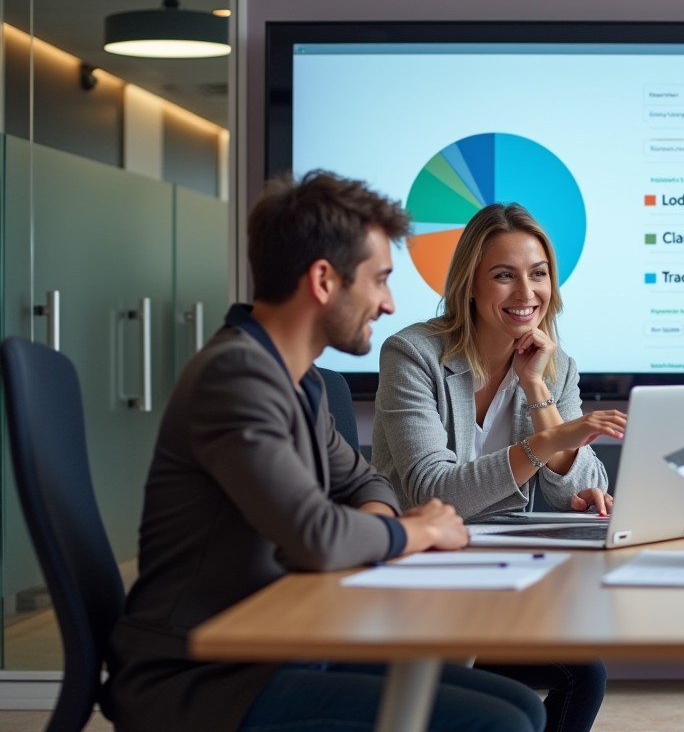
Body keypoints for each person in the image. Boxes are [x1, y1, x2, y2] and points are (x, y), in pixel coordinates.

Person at [104, 171, 546, 732]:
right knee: (498, 723)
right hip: (202, 677)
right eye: (379, 280)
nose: (388, 304)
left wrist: (377, 524)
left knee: (523, 707)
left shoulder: (299, 381)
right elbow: (316, 536)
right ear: (323, 280)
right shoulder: (236, 377)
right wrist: (416, 531)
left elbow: (367, 484)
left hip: (280, 648)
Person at [372, 202, 624, 732]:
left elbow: (576, 488)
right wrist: (548, 441)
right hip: (417, 585)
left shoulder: (555, 366)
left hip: (500, 578)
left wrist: (535, 389)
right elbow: (430, 494)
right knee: (516, 708)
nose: (526, 293)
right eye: (504, 276)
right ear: (470, 283)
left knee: (586, 673)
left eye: (538, 275)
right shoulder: (413, 355)